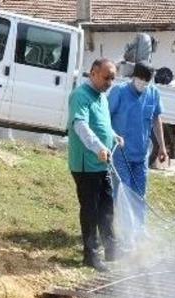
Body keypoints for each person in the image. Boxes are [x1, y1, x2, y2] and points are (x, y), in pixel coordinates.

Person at [67, 58, 124, 271]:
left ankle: (111, 249)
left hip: (102, 164)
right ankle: (90, 256)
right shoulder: (80, 96)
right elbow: (80, 125)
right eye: (106, 77)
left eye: (112, 79)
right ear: (93, 73)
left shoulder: (101, 97)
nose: (109, 82)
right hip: (86, 165)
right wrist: (99, 147)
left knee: (107, 208)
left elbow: (102, 124)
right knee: (91, 211)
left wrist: (114, 136)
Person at [108, 61, 167, 248]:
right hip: (121, 154)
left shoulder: (153, 94)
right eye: (141, 79)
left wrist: (162, 148)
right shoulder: (119, 92)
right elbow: (104, 117)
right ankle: (127, 235)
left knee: (140, 194)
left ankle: (140, 230)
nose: (143, 84)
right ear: (134, 76)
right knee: (124, 194)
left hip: (141, 155)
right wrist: (110, 138)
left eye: (147, 81)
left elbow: (157, 120)